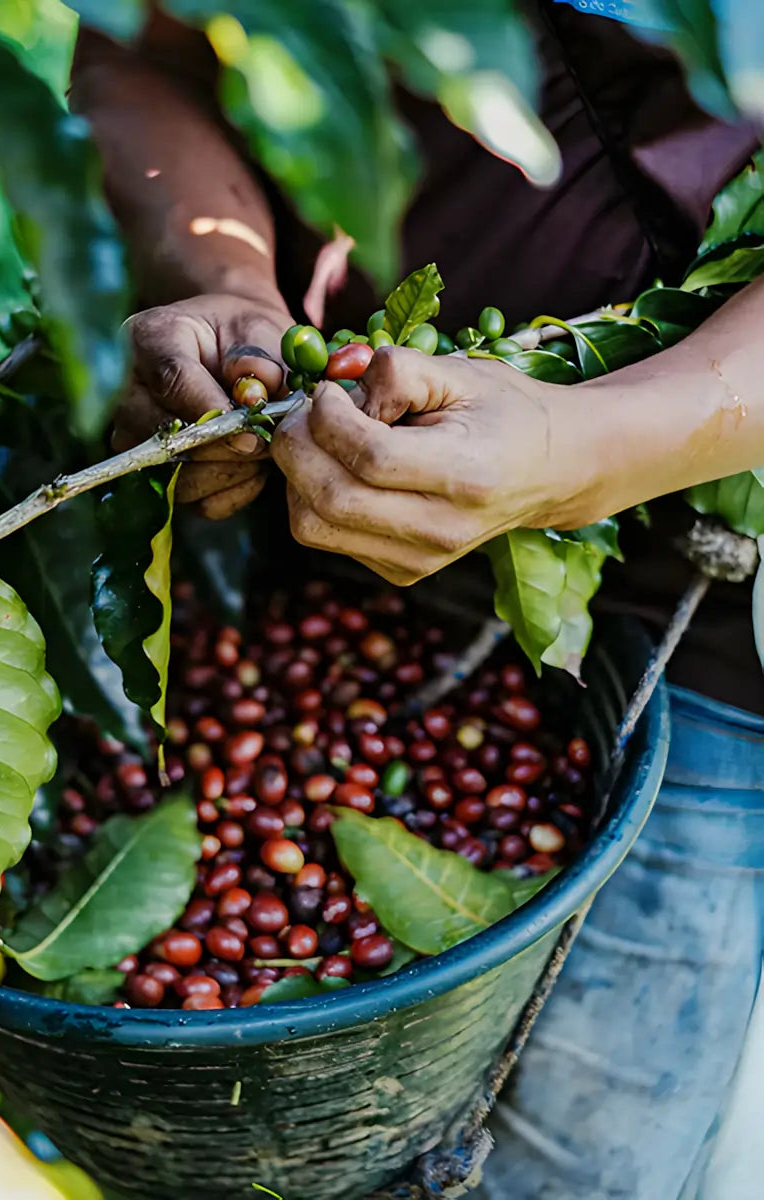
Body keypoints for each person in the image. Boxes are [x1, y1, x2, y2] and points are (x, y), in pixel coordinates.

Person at [71, 4, 764, 1198]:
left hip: (702, 614)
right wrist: (222, 276)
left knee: (574, 1164)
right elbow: (139, 45)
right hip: (312, 501)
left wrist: (576, 444)